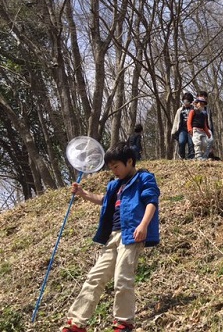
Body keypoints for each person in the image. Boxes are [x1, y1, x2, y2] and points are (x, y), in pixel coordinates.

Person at [61, 142, 160, 332]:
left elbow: (151, 201)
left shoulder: (144, 178)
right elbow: (104, 200)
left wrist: (143, 225)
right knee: (95, 276)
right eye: (111, 167)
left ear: (129, 161)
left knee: (123, 277)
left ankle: (123, 323)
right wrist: (83, 193)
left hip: (132, 234)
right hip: (112, 235)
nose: (113, 171)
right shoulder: (114, 185)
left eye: (116, 166)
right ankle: (76, 323)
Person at [171, 92, 195, 159]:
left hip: (192, 129)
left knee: (191, 143)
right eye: (184, 101)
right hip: (182, 129)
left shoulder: (194, 110)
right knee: (181, 141)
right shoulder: (180, 110)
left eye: (187, 101)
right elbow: (176, 121)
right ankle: (182, 157)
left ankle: (191, 157)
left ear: (190, 101)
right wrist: (173, 131)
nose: (185, 102)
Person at [197, 91, 215, 159]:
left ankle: (205, 157)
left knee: (210, 141)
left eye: (205, 97)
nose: (203, 98)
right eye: (201, 96)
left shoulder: (208, 109)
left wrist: (211, 130)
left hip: (207, 128)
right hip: (197, 129)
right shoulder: (194, 108)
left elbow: (210, 121)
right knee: (198, 143)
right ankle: (198, 157)